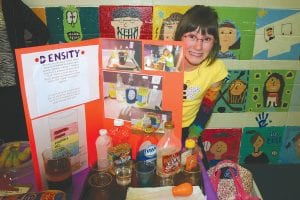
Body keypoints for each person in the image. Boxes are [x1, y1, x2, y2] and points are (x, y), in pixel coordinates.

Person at [174, 5, 228, 169]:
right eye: (191, 36)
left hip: (189, 128)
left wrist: (193, 139)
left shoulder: (216, 69)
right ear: (179, 37)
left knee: (199, 172)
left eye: (206, 39)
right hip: (158, 128)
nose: (198, 47)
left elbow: (206, 108)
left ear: (214, 42)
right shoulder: (162, 60)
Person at [0, 0, 49, 143]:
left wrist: (24, 54)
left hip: (10, 81)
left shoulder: (11, 4)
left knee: (14, 135)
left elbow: (42, 32)